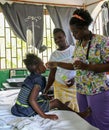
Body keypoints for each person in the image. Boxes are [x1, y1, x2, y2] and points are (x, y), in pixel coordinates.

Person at [46, 8, 109, 130]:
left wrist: (88, 67)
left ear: (85, 27)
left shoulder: (102, 41)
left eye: (75, 32)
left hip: (97, 89)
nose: (74, 36)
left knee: (101, 123)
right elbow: (75, 65)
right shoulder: (79, 45)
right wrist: (56, 64)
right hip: (81, 89)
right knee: (85, 122)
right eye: (72, 33)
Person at [11, 53, 91, 120]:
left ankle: (62, 107)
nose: (44, 65)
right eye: (42, 63)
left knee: (49, 100)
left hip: (18, 108)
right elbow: (32, 100)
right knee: (56, 102)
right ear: (38, 68)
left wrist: (43, 95)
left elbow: (31, 95)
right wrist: (45, 116)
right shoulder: (38, 79)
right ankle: (78, 115)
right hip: (25, 109)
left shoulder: (31, 77)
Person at [44, 28, 78, 111]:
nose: (58, 40)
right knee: (64, 111)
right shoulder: (54, 55)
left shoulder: (74, 50)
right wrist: (46, 89)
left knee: (76, 109)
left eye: (60, 37)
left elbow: (81, 68)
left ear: (65, 36)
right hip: (60, 87)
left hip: (75, 86)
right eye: (55, 39)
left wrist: (74, 79)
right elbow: (54, 73)